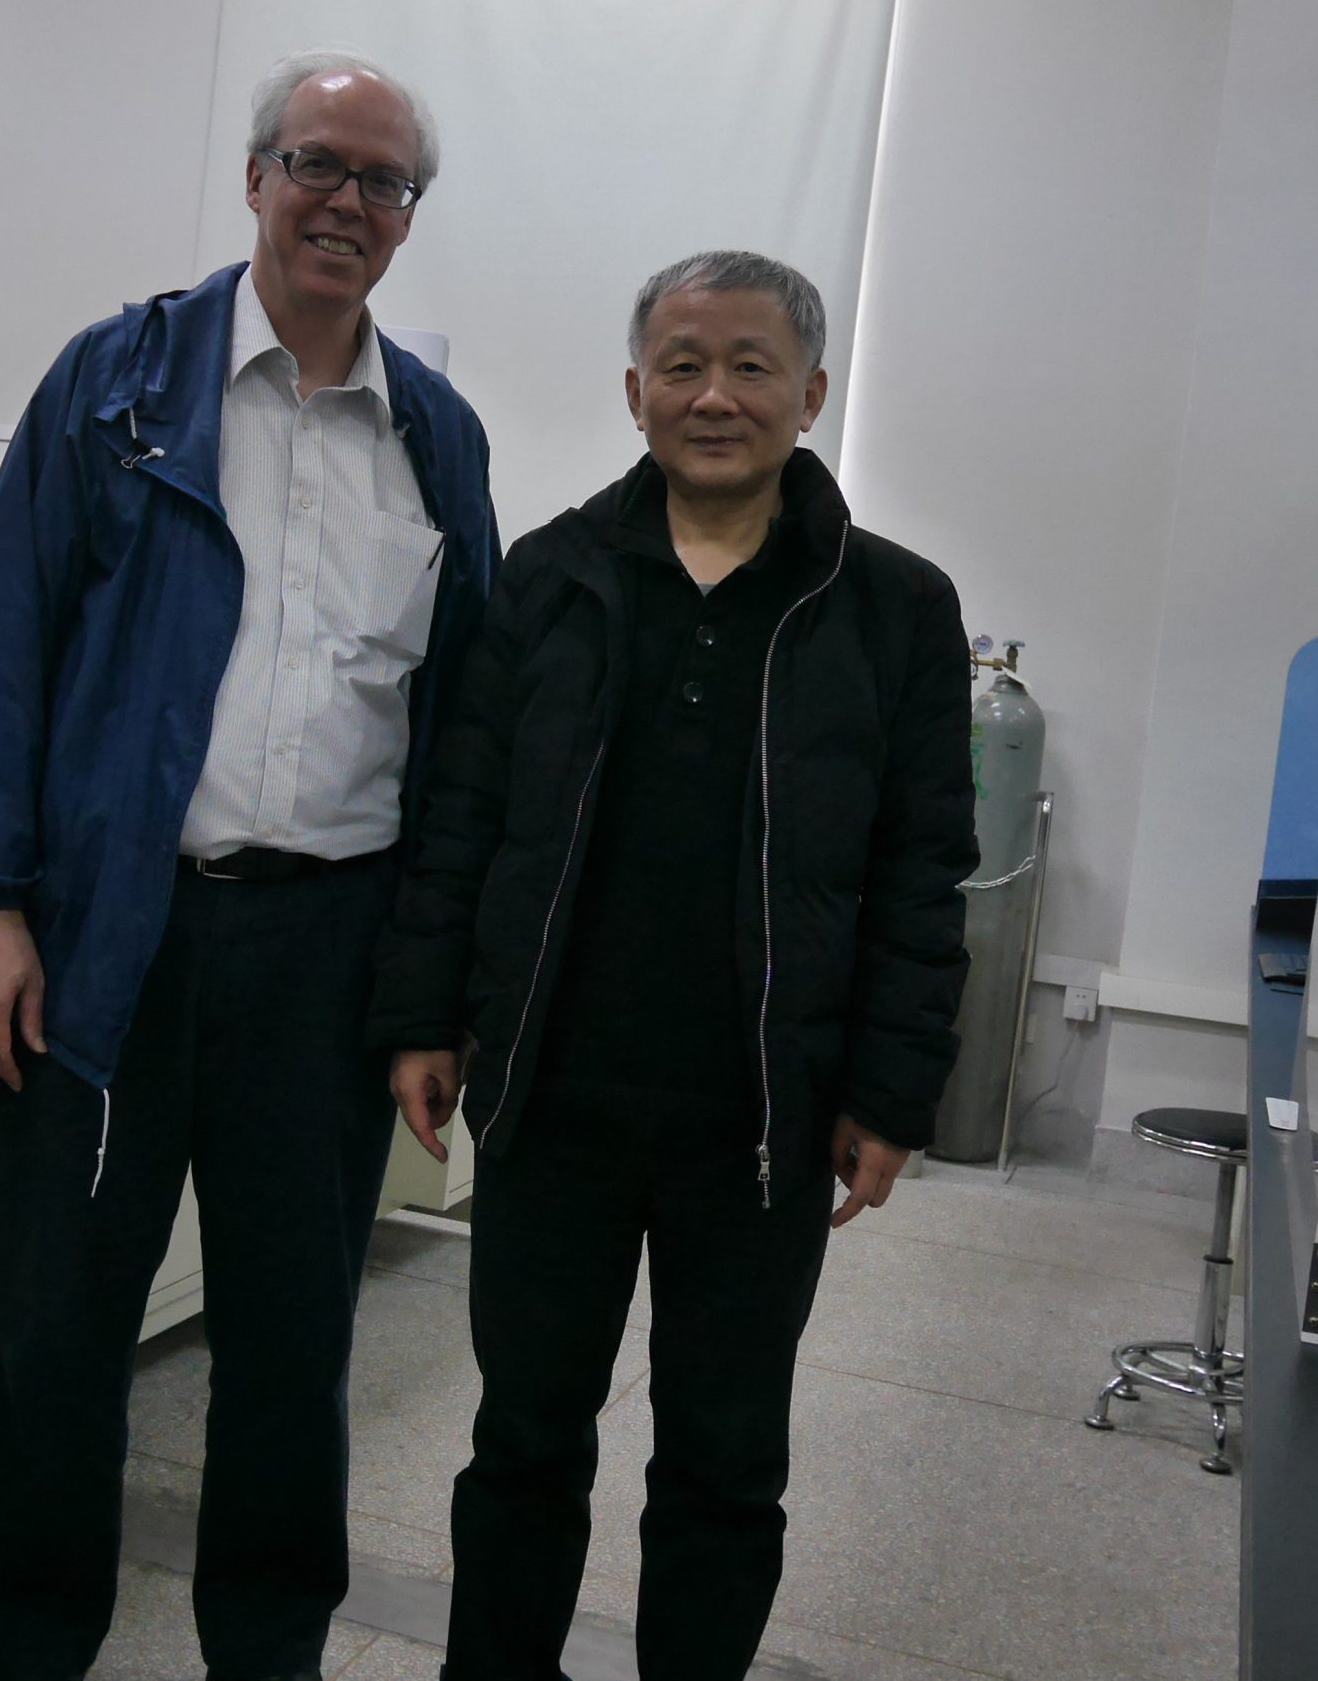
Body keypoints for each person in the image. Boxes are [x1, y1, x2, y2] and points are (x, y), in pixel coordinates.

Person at [0, 50, 498, 1681]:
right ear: (255, 178)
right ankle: (33, 1650)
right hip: (111, 941)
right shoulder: (114, 387)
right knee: (61, 1335)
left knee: (292, 1349)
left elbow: (462, 726)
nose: (346, 201)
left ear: (408, 217)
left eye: (383, 180)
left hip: (328, 955)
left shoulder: (436, 437)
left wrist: (432, 989)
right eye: (316, 162)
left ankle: (269, 1654)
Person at [372, 250, 978, 1680]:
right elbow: (464, 815)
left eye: (752, 366)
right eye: (685, 365)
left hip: (761, 1120)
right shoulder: (552, 576)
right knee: (524, 1441)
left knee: (723, 1462)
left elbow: (921, 870)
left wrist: (891, 1093)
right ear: (635, 390)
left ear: (810, 395)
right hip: (555, 1104)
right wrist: (424, 1015)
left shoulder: (892, 606)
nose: (716, 396)